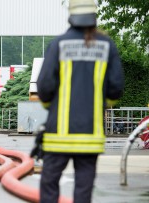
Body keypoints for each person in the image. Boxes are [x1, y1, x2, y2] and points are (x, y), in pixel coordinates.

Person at [36, 0, 124, 202]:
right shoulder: (107, 46)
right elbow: (116, 88)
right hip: (90, 136)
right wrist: (101, 104)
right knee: (83, 190)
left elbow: (45, 86)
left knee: (49, 184)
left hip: (57, 134)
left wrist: (52, 106)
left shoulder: (58, 44)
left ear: (71, 14)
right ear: (94, 15)